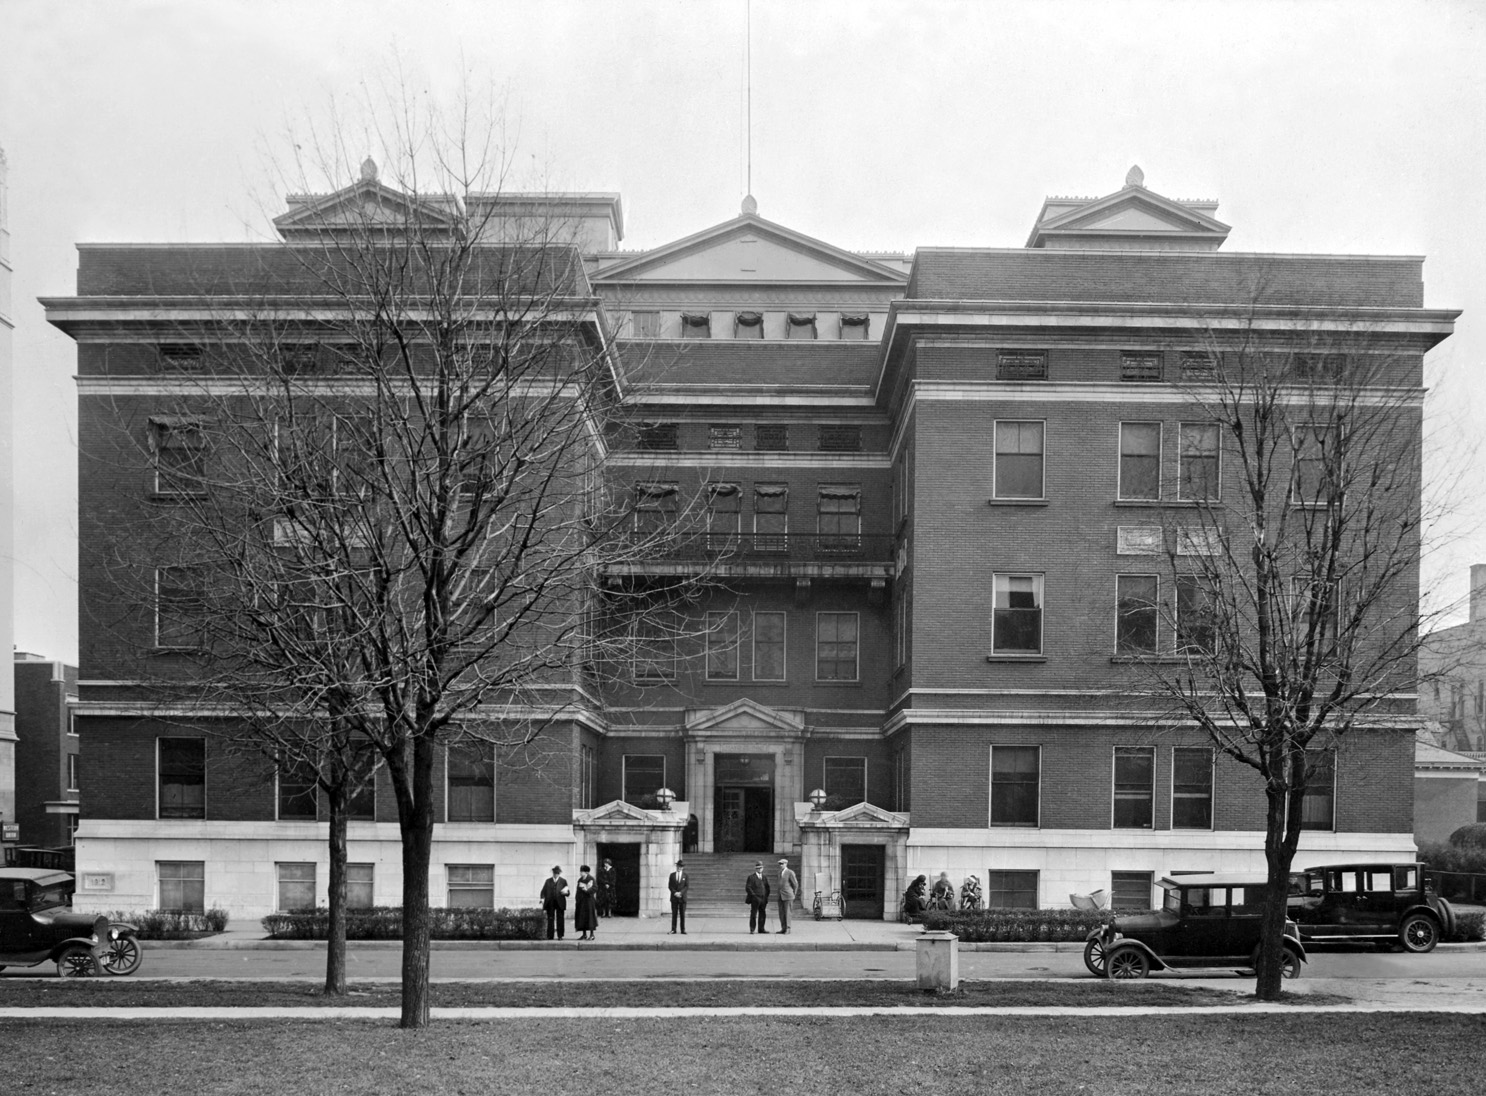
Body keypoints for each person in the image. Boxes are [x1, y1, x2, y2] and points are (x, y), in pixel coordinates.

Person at [539, 865, 569, 941]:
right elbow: (543, 891)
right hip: (550, 902)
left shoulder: (563, 881)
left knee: (560, 919)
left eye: (557, 873)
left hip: (560, 902)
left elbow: (568, 893)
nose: (556, 875)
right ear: (553, 873)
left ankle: (560, 935)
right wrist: (542, 899)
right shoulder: (548, 881)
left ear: (559, 874)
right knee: (550, 919)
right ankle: (550, 935)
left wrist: (564, 893)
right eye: (555, 873)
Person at [744, 859, 771, 934]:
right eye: (758, 868)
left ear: (763, 869)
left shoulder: (764, 877)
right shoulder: (751, 877)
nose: (760, 869)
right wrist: (753, 895)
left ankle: (761, 929)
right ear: (756, 869)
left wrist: (766, 896)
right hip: (755, 899)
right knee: (753, 914)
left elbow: (767, 887)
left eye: (761, 868)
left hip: (763, 898)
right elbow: (748, 887)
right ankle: (752, 929)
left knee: (762, 914)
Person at [574, 864, 598, 941]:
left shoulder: (591, 879)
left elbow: (595, 888)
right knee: (582, 917)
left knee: (590, 917)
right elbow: (577, 890)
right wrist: (577, 899)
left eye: (582, 871)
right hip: (581, 901)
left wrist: (587, 890)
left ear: (586, 872)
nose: (581, 873)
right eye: (581, 871)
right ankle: (584, 934)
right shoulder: (580, 880)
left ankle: (592, 934)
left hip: (589, 901)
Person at [775, 857, 799, 934]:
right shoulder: (779, 872)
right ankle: (783, 928)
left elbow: (795, 884)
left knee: (788, 912)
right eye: (779, 864)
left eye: (782, 864)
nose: (780, 865)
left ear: (786, 864)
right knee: (781, 913)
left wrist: (793, 894)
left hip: (788, 895)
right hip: (780, 895)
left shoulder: (790, 872)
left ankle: (788, 928)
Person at [668, 858, 688, 934]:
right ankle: (673, 929)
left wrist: (681, 893)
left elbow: (686, 886)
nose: (679, 868)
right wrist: (675, 893)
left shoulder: (685, 876)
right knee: (674, 914)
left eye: (681, 866)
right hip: (674, 898)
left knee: (682, 914)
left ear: (683, 867)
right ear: (676, 866)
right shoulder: (672, 875)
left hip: (682, 898)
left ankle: (683, 930)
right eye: (678, 866)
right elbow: (670, 886)